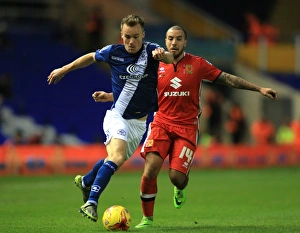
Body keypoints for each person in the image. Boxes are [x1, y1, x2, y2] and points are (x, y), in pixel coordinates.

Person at [92, 25, 278, 228]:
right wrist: (111, 96)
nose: (174, 43)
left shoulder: (197, 64)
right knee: (150, 170)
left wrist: (259, 88)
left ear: (185, 42)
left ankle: (180, 186)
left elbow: (227, 78)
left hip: (187, 128)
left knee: (176, 178)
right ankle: (147, 219)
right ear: (165, 40)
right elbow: (139, 89)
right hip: (161, 123)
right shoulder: (155, 63)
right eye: (170, 38)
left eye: (178, 39)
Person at [47, 14, 174, 222]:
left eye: (135, 37)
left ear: (143, 35)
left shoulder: (151, 52)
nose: (131, 42)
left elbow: (170, 60)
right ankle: (92, 203)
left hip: (139, 124)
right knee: (116, 157)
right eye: (126, 37)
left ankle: (87, 181)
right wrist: (64, 69)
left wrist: (163, 55)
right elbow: (89, 57)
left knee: (115, 160)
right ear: (121, 36)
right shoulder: (113, 52)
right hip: (117, 117)